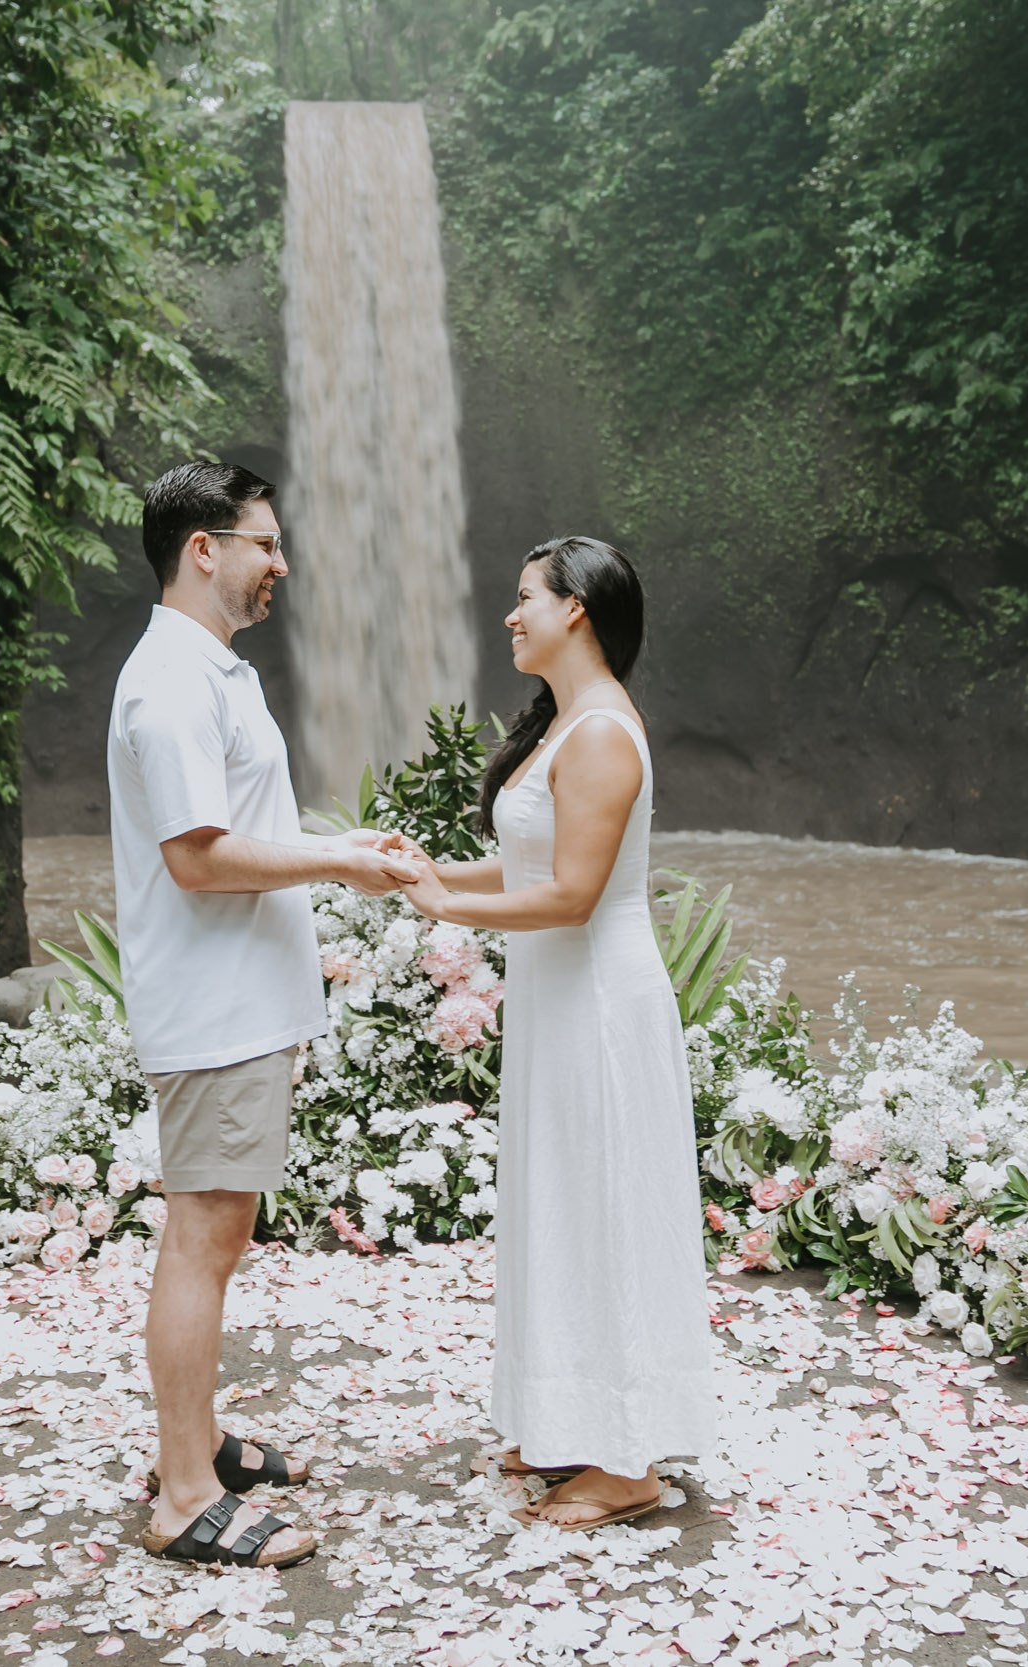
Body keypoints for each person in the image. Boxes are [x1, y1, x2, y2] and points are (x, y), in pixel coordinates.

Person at [110, 460, 421, 1568]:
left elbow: (241, 818)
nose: (280, 563)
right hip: (214, 1008)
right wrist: (341, 858)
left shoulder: (213, 670)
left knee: (220, 1232)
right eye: (264, 542)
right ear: (205, 548)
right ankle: (184, 1492)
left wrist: (336, 847)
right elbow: (198, 858)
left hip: (242, 1005)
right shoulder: (171, 684)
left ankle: (194, 1442)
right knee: (202, 1238)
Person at [394, 536, 715, 1530]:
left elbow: (574, 896)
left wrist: (447, 907)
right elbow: (536, 860)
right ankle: (569, 1415)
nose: (509, 614)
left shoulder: (604, 732)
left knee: (605, 1203)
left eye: (524, 596)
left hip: (601, 1003)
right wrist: (433, 869)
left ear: (576, 608)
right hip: (560, 1003)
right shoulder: (567, 723)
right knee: (562, 1200)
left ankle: (627, 1463)